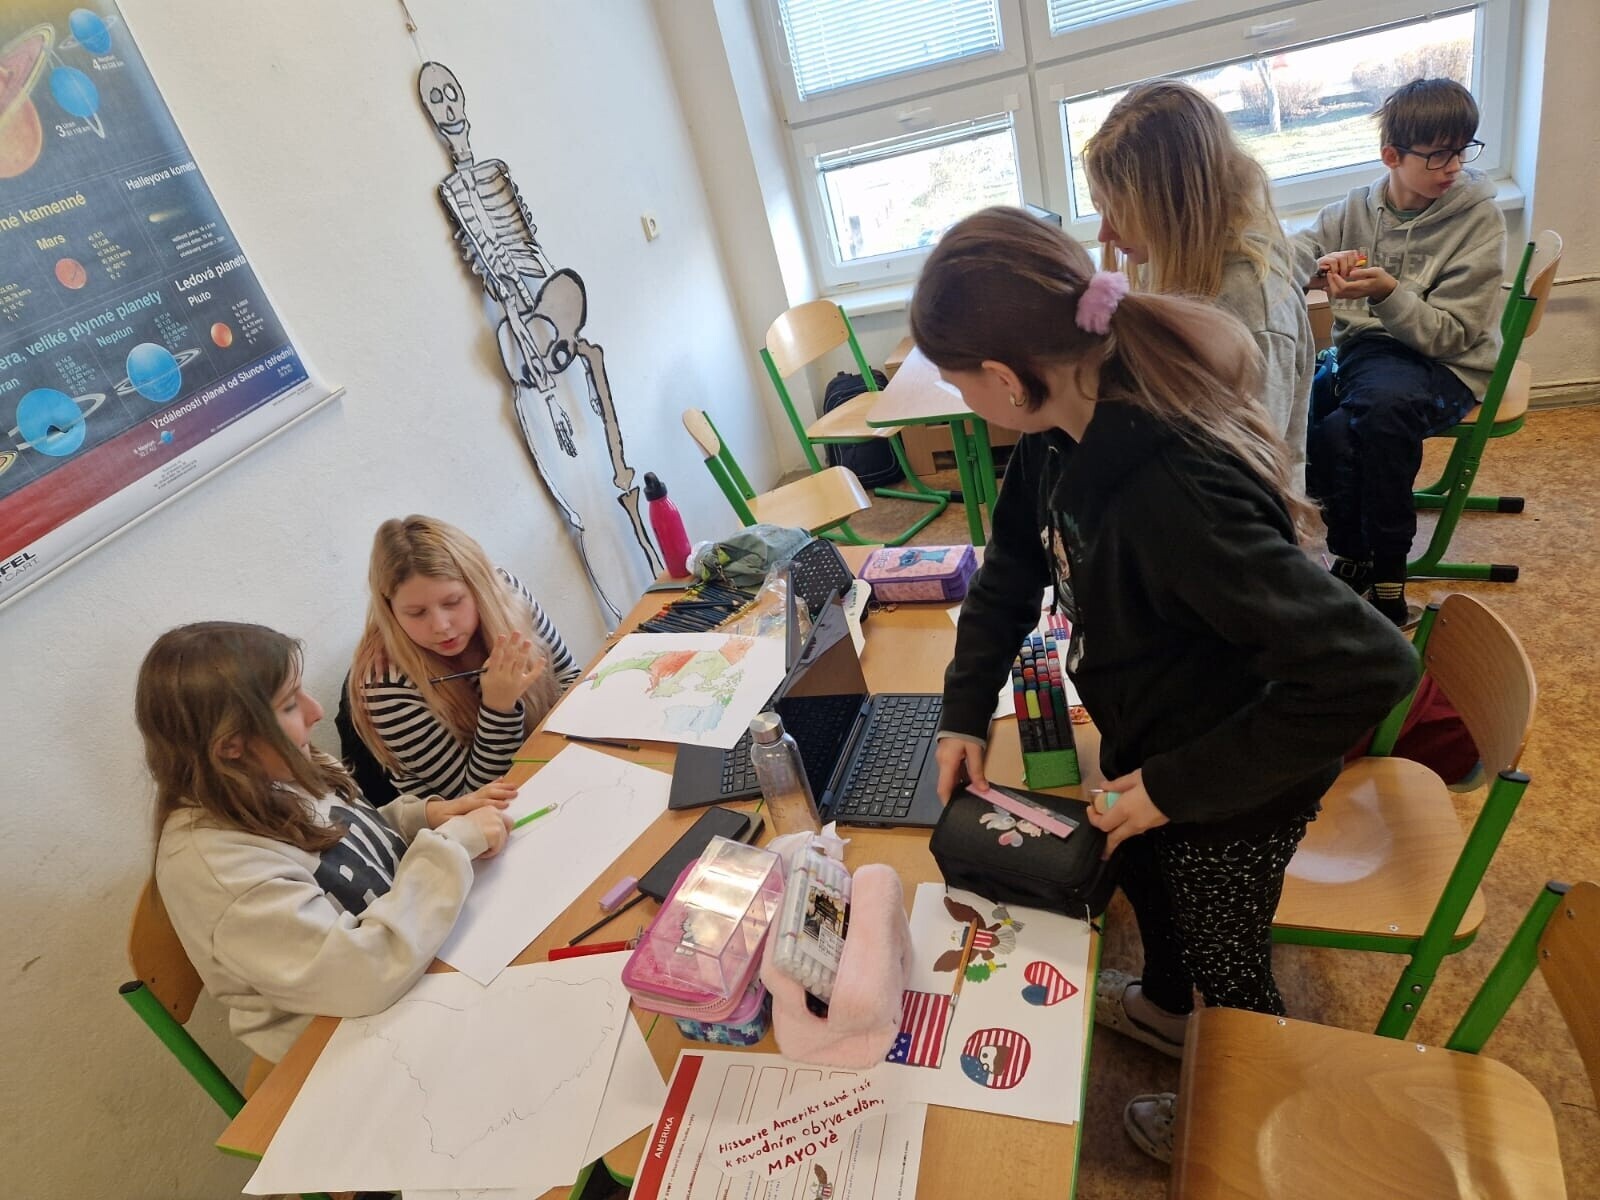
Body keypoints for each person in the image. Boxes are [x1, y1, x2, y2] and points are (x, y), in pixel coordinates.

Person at [915, 207, 1416, 1162]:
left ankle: (1248, 1119)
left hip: (1239, 781)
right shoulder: (1058, 432)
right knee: (1149, 879)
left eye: (956, 382)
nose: (960, 399)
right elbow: (1012, 566)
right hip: (1156, 738)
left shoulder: (1168, 491)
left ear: (1008, 379)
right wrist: (963, 711)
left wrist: (1177, 787)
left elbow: (1372, 665)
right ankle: (1166, 1007)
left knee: (1228, 958)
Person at [141, 621, 515, 1062]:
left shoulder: (273, 773)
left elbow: (343, 842)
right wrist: (451, 846)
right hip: (348, 1044)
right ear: (230, 746)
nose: (316, 710)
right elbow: (361, 977)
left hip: (413, 964)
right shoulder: (219, 870)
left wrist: (423, 819)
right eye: (289, 704)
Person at [1293, 78, 1505, 626]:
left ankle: (1383, 567)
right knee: (1330, 434)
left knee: (1379, 415)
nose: (1453, 167)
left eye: (1461, 150)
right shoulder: (1353, 210)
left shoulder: (1480, 220)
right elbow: (1293, 253)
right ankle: (1362, 560)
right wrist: (1315, 265)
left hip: (1449, 365)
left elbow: (1453, 335)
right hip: (1374, 362)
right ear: (1392, 156)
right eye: (1437, 155)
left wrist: (1388, 293)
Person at [1083, 79, 1314, 483]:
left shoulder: (1250, 307)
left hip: (1237, 511)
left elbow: (1250, 469)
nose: (1105, 233)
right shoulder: (1164, 258)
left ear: (1175, 207)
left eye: (1120, 213)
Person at [347, 516, 581, 799]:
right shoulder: (384, 686)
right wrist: (498, 708)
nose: (441, 626)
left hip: (559, 771)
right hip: (494, 812)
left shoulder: (506, 592)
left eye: (453, 602)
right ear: (390, 611)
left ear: (479, 588)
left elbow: (570, 678)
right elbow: (469, 796)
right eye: (416, 613)